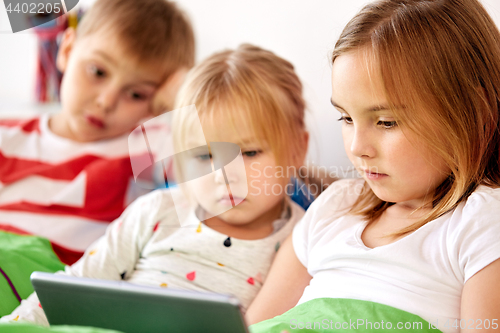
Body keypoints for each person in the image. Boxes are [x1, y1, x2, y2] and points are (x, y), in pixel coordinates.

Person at [0, 44, 310, 326]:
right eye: (204, 156)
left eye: (250, 152)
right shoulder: (157, 211)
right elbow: (74, 284)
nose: (224, 175)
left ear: (298, 149)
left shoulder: (305, 238)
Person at [246, 0, 500, 332]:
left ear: (474, 114)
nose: (356, 148)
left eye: (386, 122)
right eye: (346, 118)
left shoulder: (480, 224)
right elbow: (248, 326)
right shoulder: (333, 207)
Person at [0, 0, 195, 264]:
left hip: (59, 280)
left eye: (136, 94)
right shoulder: (7, 137)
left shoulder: (147, 146)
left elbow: (222, 178)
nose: (106, 101)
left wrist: (183, 100)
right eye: (98, 71)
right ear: (67, 49)